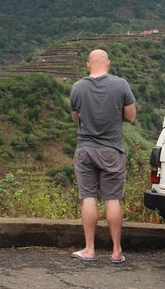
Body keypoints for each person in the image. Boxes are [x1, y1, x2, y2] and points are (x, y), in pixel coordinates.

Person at [69, 49, 136, 263]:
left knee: (88, 197)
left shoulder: (77, 88)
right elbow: (131, 116)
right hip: (112, 150)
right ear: (108, 63)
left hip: (85, 149)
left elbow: (75, 119)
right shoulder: (121, 84)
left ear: (88, 64)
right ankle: (116, 251)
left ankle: (89, 249)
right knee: (112, 199)